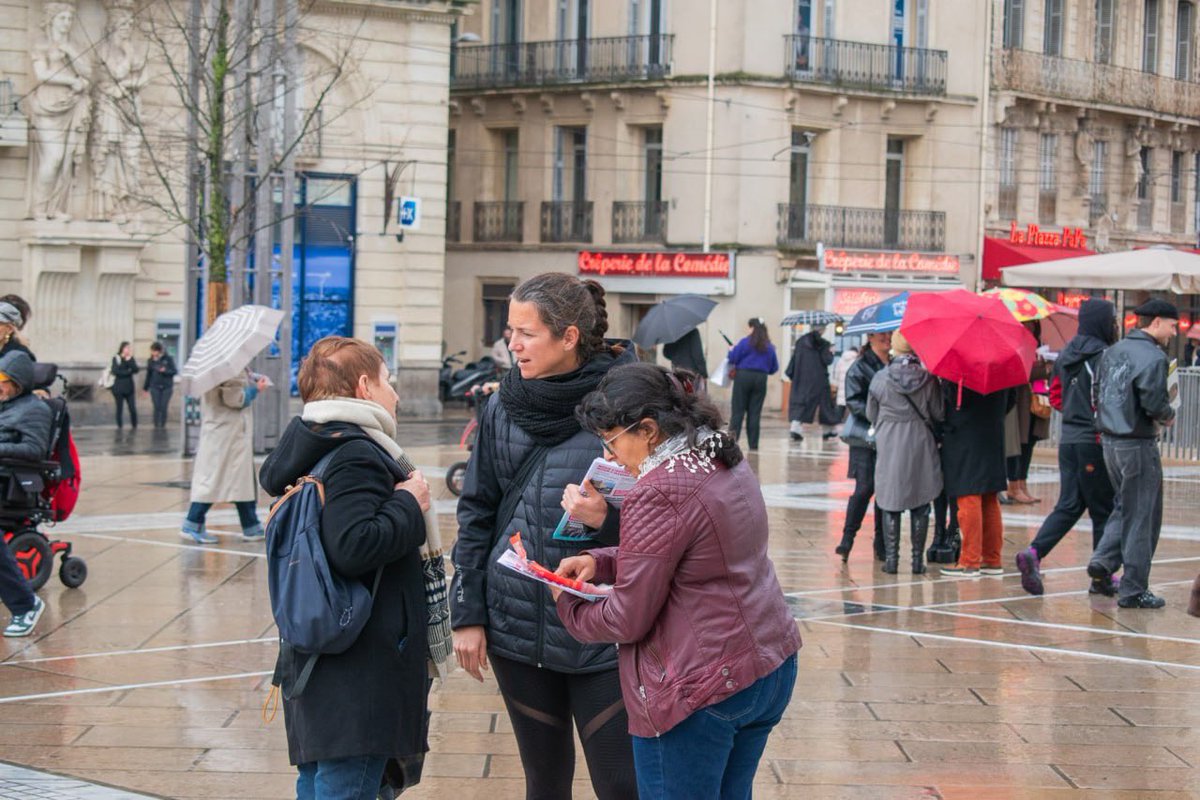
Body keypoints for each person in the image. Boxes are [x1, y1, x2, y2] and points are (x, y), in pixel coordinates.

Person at [556, 363, 800, 800]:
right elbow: (697, 554)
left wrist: (568, 602)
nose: (609, 457)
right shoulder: (718, 453)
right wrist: (602, 561)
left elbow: (627, 618)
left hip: (702, 684)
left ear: (648, 430)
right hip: (765, 661)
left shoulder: (660, 488)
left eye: (611, 441)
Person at [450, 272, 639, 800]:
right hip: (517, 626)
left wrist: (608, 517)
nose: (512, 344)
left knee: (622, 784)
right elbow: (477, 511)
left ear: (569, 337)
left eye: (526, 333)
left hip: (604, 628)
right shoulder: (501, 405)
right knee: (545, 782)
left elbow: (675, 516)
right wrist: (467, 613)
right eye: (510, 331)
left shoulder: (630, 405)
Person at [260, 336, 433, 800]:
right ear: (364, 386)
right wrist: (407, 503)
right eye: (387, 381)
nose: (394, 393)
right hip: (359, 667)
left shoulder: (314, 445)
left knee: (320, 783)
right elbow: (353, 546)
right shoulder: (357, 453)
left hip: (322, 660)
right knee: (346, 786)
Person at [1016, 299, 1118, 597]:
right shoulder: (1103, 356)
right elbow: (1107, 398)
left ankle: (1034, 553)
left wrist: (1075, 411)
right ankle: (1102, 575)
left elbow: (1056, 397)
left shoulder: (1066, 354)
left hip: (1070, 440)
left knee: (1071, 504)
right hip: (1093, 441)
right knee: (1103, 509)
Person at [1088, 299, 1178, 609]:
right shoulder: (1154, 357)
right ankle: (1133, 588)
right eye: (1171, 324)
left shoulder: (1112, 351)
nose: (1173, 330)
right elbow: (1153, 403)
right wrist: (1168, 414)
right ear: (1155, 322)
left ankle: (1103, 560)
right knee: (1144, 515)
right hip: (1137, 441)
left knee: (1126, 506)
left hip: (1110, 440)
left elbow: (1096, 390)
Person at [867, 331, 944, 574]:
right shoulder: (928, 379)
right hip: (921, 441)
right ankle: (917, 561)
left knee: (890, 499)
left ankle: (891, 561)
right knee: (921, 500)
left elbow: (871, 413)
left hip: (889, 441)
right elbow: (938, 413)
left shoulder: (880, 378)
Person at [182, 369, 269, 544]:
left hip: (223, 432)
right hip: (228, 434)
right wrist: (256, 389)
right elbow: (236, 399)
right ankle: (193, 522)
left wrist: (248, 375)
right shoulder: (230, 371)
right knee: (216, 481)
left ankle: (250, 525)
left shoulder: (216, 368)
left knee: (238, 481)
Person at [939, 384, 1014, 578]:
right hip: (993, 432)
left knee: (968, 495)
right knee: (990, 496)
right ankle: (992, 559)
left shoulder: (959, 367)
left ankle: (969, 561)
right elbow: (1011, 399)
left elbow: (947, 401)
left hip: (964, 435)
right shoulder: (1002, 363)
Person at [0, 351, 49, 637]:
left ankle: (26, 605)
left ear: (18, 382)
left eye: (3, 381)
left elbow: (35, 451)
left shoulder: (34, 409)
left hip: (11, 484)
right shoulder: (6, 405)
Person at [836, 331, 891, 562]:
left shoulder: (896, 364)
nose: (887, 338)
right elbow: (853, 400)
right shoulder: (860, 367)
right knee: (864, 488)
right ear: (870, 337)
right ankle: (847, 539)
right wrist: (877, 415)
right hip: (866, 438)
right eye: (882, 335)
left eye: (891, 334)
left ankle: (882, 543)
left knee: (885, 492)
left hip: (889, 437)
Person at [726, 318, 778, 451]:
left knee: (738, 411)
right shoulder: (769, 346)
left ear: (752, 328)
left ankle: (732, 443)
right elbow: (774, 368)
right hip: (761, 378)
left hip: (743, 377)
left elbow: (733, 359)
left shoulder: (744, 342)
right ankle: (753, 445)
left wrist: (731, 349)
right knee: (755, 413)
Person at [786, 324, 839, 441]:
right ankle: (828, 430)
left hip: (801, 377)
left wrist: (791, 373)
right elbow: (827, 361)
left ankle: (795, 428)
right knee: (825, 404)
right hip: (819, 379)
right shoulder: (824, 344)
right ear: (822, 329)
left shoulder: (800, 341)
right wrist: (831, 352)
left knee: (801, 403)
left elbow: (795, 358)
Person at [662, 327, 708, 393]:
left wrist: (676, 357)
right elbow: (697, 355)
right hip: (692, 374)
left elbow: (666, 353)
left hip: (677, 372)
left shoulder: (672, 333)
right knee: (695, 399)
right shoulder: (693, 331)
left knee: (681, 398)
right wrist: (704, 373)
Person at [143, 342, 177, 429]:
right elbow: (148, 375)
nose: (153, 353)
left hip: (167, 386)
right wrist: (145, 388)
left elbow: (174, 371)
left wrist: (164, 370)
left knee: (163, 406)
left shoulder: (168, 359)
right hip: (155, 386)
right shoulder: (151, 361)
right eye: (152, 351)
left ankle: (162, 424)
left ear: (158, 351)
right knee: (156, 406)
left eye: (154, 351)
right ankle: (156, 424)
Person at [110, 341, 139, 430]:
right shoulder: (116, 358)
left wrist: (129, 360)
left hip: (129, 388)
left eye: (129, 348)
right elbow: (115, 371)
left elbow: (136, 369)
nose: (128, 350)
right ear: (122, 348)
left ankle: (134, 425)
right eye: (126, 348)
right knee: (119, 408)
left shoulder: (130, 358)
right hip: (118, 388)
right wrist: (127, 372)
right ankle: (120, 426)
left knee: (132, 408)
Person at [831, 345, 858, 420]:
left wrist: (836, 384)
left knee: (840, 407)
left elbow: (836, 374)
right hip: (852, 387)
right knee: (853, 407)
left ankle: (837, 421)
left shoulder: (840, 360)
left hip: (841, 388)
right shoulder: (856, 361)